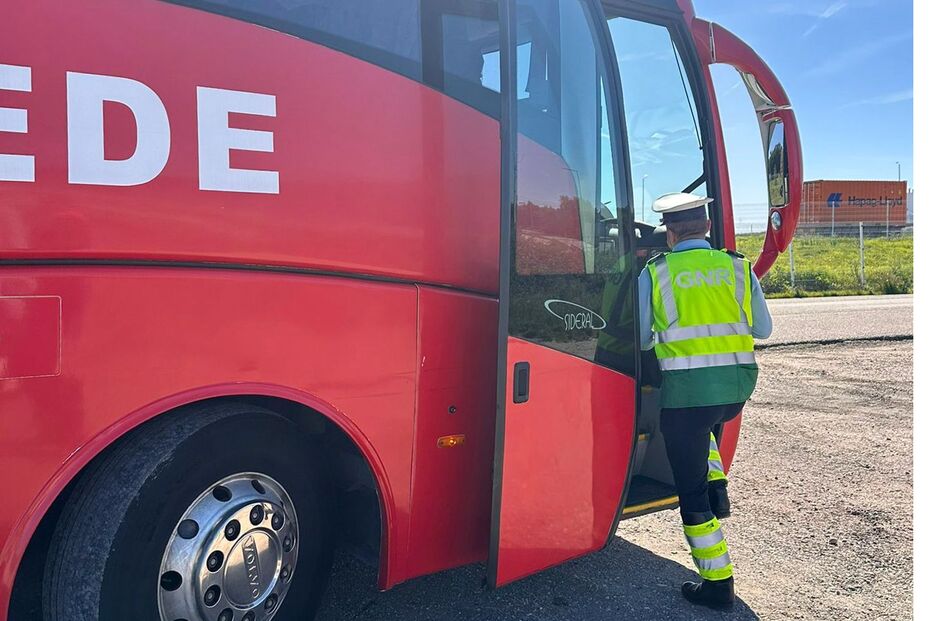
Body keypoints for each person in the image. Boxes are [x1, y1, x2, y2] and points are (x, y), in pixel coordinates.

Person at [637, 192, 773, 610]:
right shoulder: (737, 266)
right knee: (706, 429)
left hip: (687, 399)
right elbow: (764, 329)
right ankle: (719, 487)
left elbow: (642, 339)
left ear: (669, 233)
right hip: (734, 393)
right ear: (709, 227)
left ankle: (716, 582)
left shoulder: (656, 272)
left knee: (689, 493)